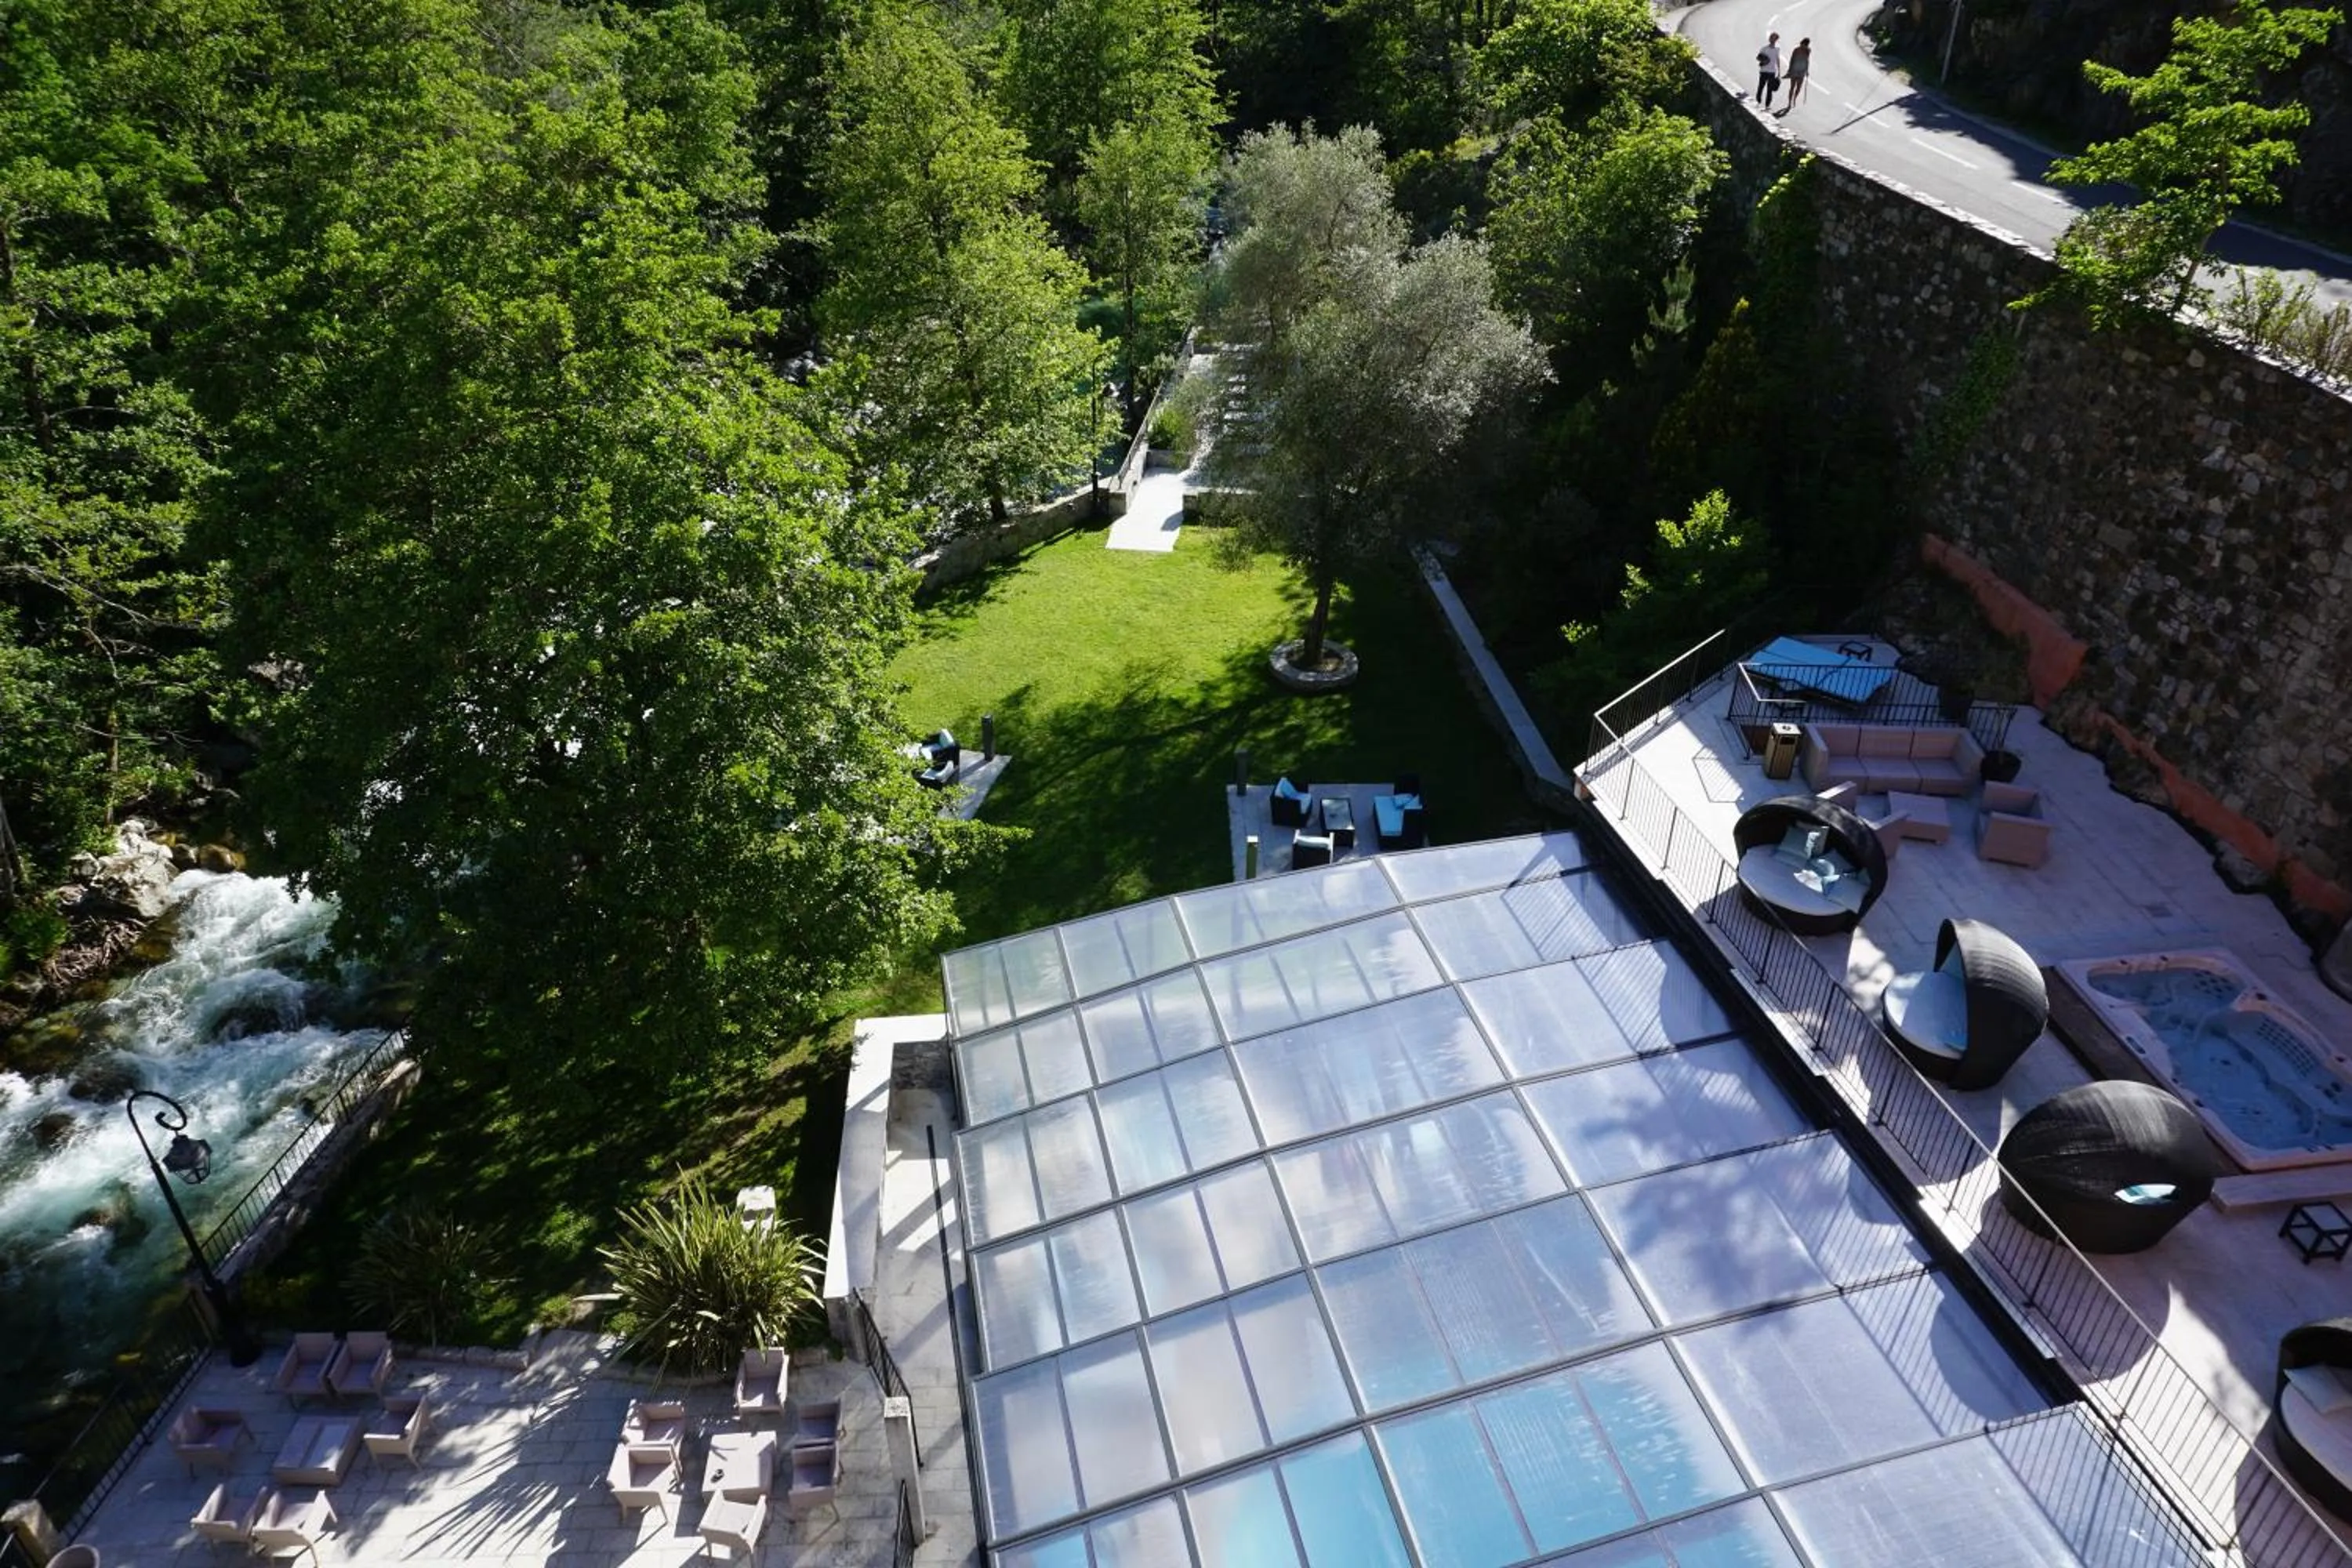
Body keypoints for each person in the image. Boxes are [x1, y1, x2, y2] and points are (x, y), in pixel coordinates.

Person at [1755, 32, 1782, 108]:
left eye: (1775, 38)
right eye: (1772, 38)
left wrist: (1779, 71)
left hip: (1772, 72)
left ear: (1776, 40)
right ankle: (1758, 101)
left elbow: (1777, 59)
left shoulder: (1777, 49)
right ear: (1769, 39)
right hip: (1763, 71)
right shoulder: (1764, 49)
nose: (1773, 40)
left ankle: (1767, 105)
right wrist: (1764, 60)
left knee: (1770, 89)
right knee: (1761, 87)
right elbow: (1758, 58)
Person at [1784, 38, 1812, 107]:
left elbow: (1807, 61)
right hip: (1794, 70)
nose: (1803, 46)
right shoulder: (1796, 50)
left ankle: (1794, 99)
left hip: (1802, 72)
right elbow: (1792, 59)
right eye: (1802, 44)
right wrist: (1790, 70)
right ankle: (1789, 102)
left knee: (1799, 88)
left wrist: (1807, 71)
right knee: (1792, 87)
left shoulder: (1808, 51)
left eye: (1805, 45)